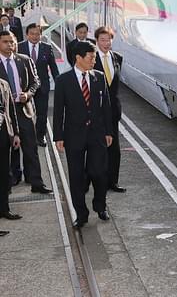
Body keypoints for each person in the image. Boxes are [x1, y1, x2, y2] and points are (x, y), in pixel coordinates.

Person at [53, 41, 113, 228]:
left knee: (99, 172)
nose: (94, 61)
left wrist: (109, 131)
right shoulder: (63, 81)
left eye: (94, 58)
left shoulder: (99, 77)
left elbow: (107, 108)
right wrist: (58, 136)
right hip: (73, 136)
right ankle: (81, 213)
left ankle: (100, 205)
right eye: (91, 58)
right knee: (76, 176)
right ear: (78, 58)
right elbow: (58, 112)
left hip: (97, 135)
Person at [0, 31, 52, 194]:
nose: (9, 45)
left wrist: (28, 94)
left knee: (30, 147)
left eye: (12, 42)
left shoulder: (24, 60)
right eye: (5, 42)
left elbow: (36, 81)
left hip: (23, 110)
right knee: (7, 148)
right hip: (4, 114)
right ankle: (9, 182)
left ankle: (36, 182)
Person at [93, 26, 125, 192]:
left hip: (113, 112)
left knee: (115, 149)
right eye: (103, 40)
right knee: (96, 149)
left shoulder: (117, 58)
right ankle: (96, 182)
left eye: (109, 39)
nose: (106, 43)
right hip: (96, 112)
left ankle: (113, 181)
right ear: (96, 41)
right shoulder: (90, 59)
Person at [18, 24, 59, 147]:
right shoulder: (20, 47)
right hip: (24, 87)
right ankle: (24, 137)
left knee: (42, 114)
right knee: (24, 113)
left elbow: (53, 68)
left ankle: (40, 137)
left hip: (43, 86)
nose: (35, 36)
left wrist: (60, 85)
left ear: (41, 34)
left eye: (37, 34)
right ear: (27, 34)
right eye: (32, 33)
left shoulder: (47, 48)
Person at [0, 77, 21, 225]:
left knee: (4, 174)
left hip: (3, 134)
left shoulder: (4, 84)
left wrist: (16, 134)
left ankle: (4, 209)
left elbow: (11, 110)